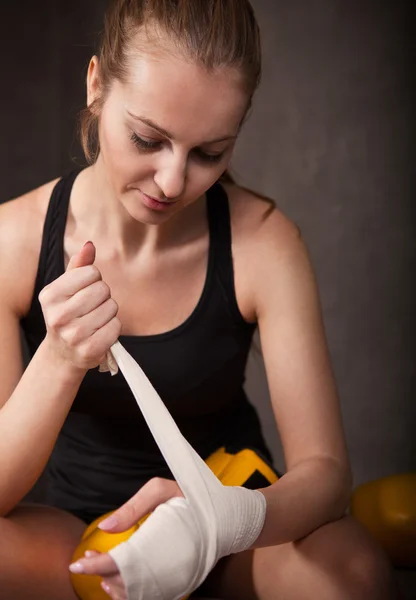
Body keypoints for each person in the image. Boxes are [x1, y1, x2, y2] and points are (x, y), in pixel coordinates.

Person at [0, 0, 399, 598]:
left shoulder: (264, 241)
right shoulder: (13, 240)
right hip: (81, 540)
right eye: (147, 138)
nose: (172, 182)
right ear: (95, 86)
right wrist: (59, 358)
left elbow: (327, 477)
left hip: (232, 536)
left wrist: (217, 522)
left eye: (209, 153)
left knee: (354, 573)